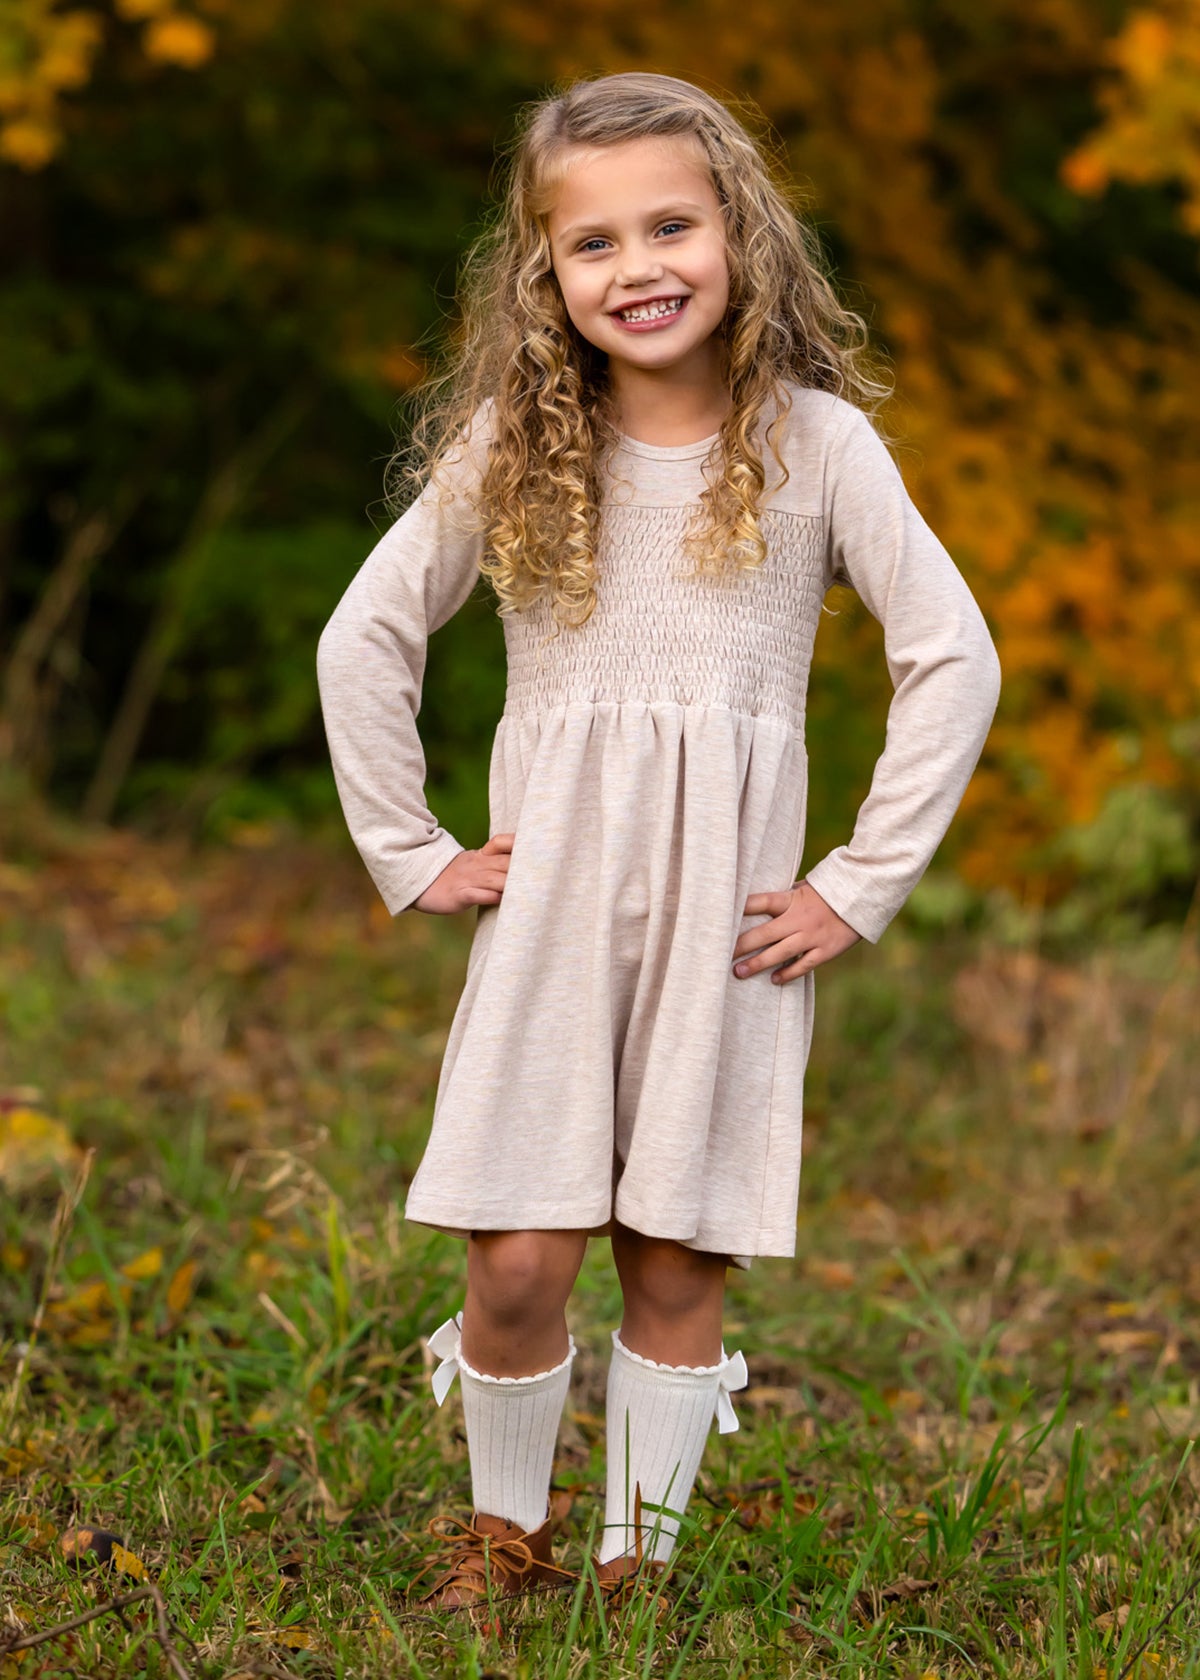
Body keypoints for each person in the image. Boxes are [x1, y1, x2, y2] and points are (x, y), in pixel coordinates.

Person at [317, 71, 1001, 1608]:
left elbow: (954, 657)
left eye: (673, 224)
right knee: (516, 1256)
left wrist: (859, 881)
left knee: (677, 1258)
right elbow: (364, 639)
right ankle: (504, 1536)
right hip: (554, 907)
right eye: (595, 243)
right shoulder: (518, 442)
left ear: (742, 235)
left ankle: (638, 1563)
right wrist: (412, 848)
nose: (640, 268)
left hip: (730, 920)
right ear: (545, 274)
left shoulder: (817, 445)